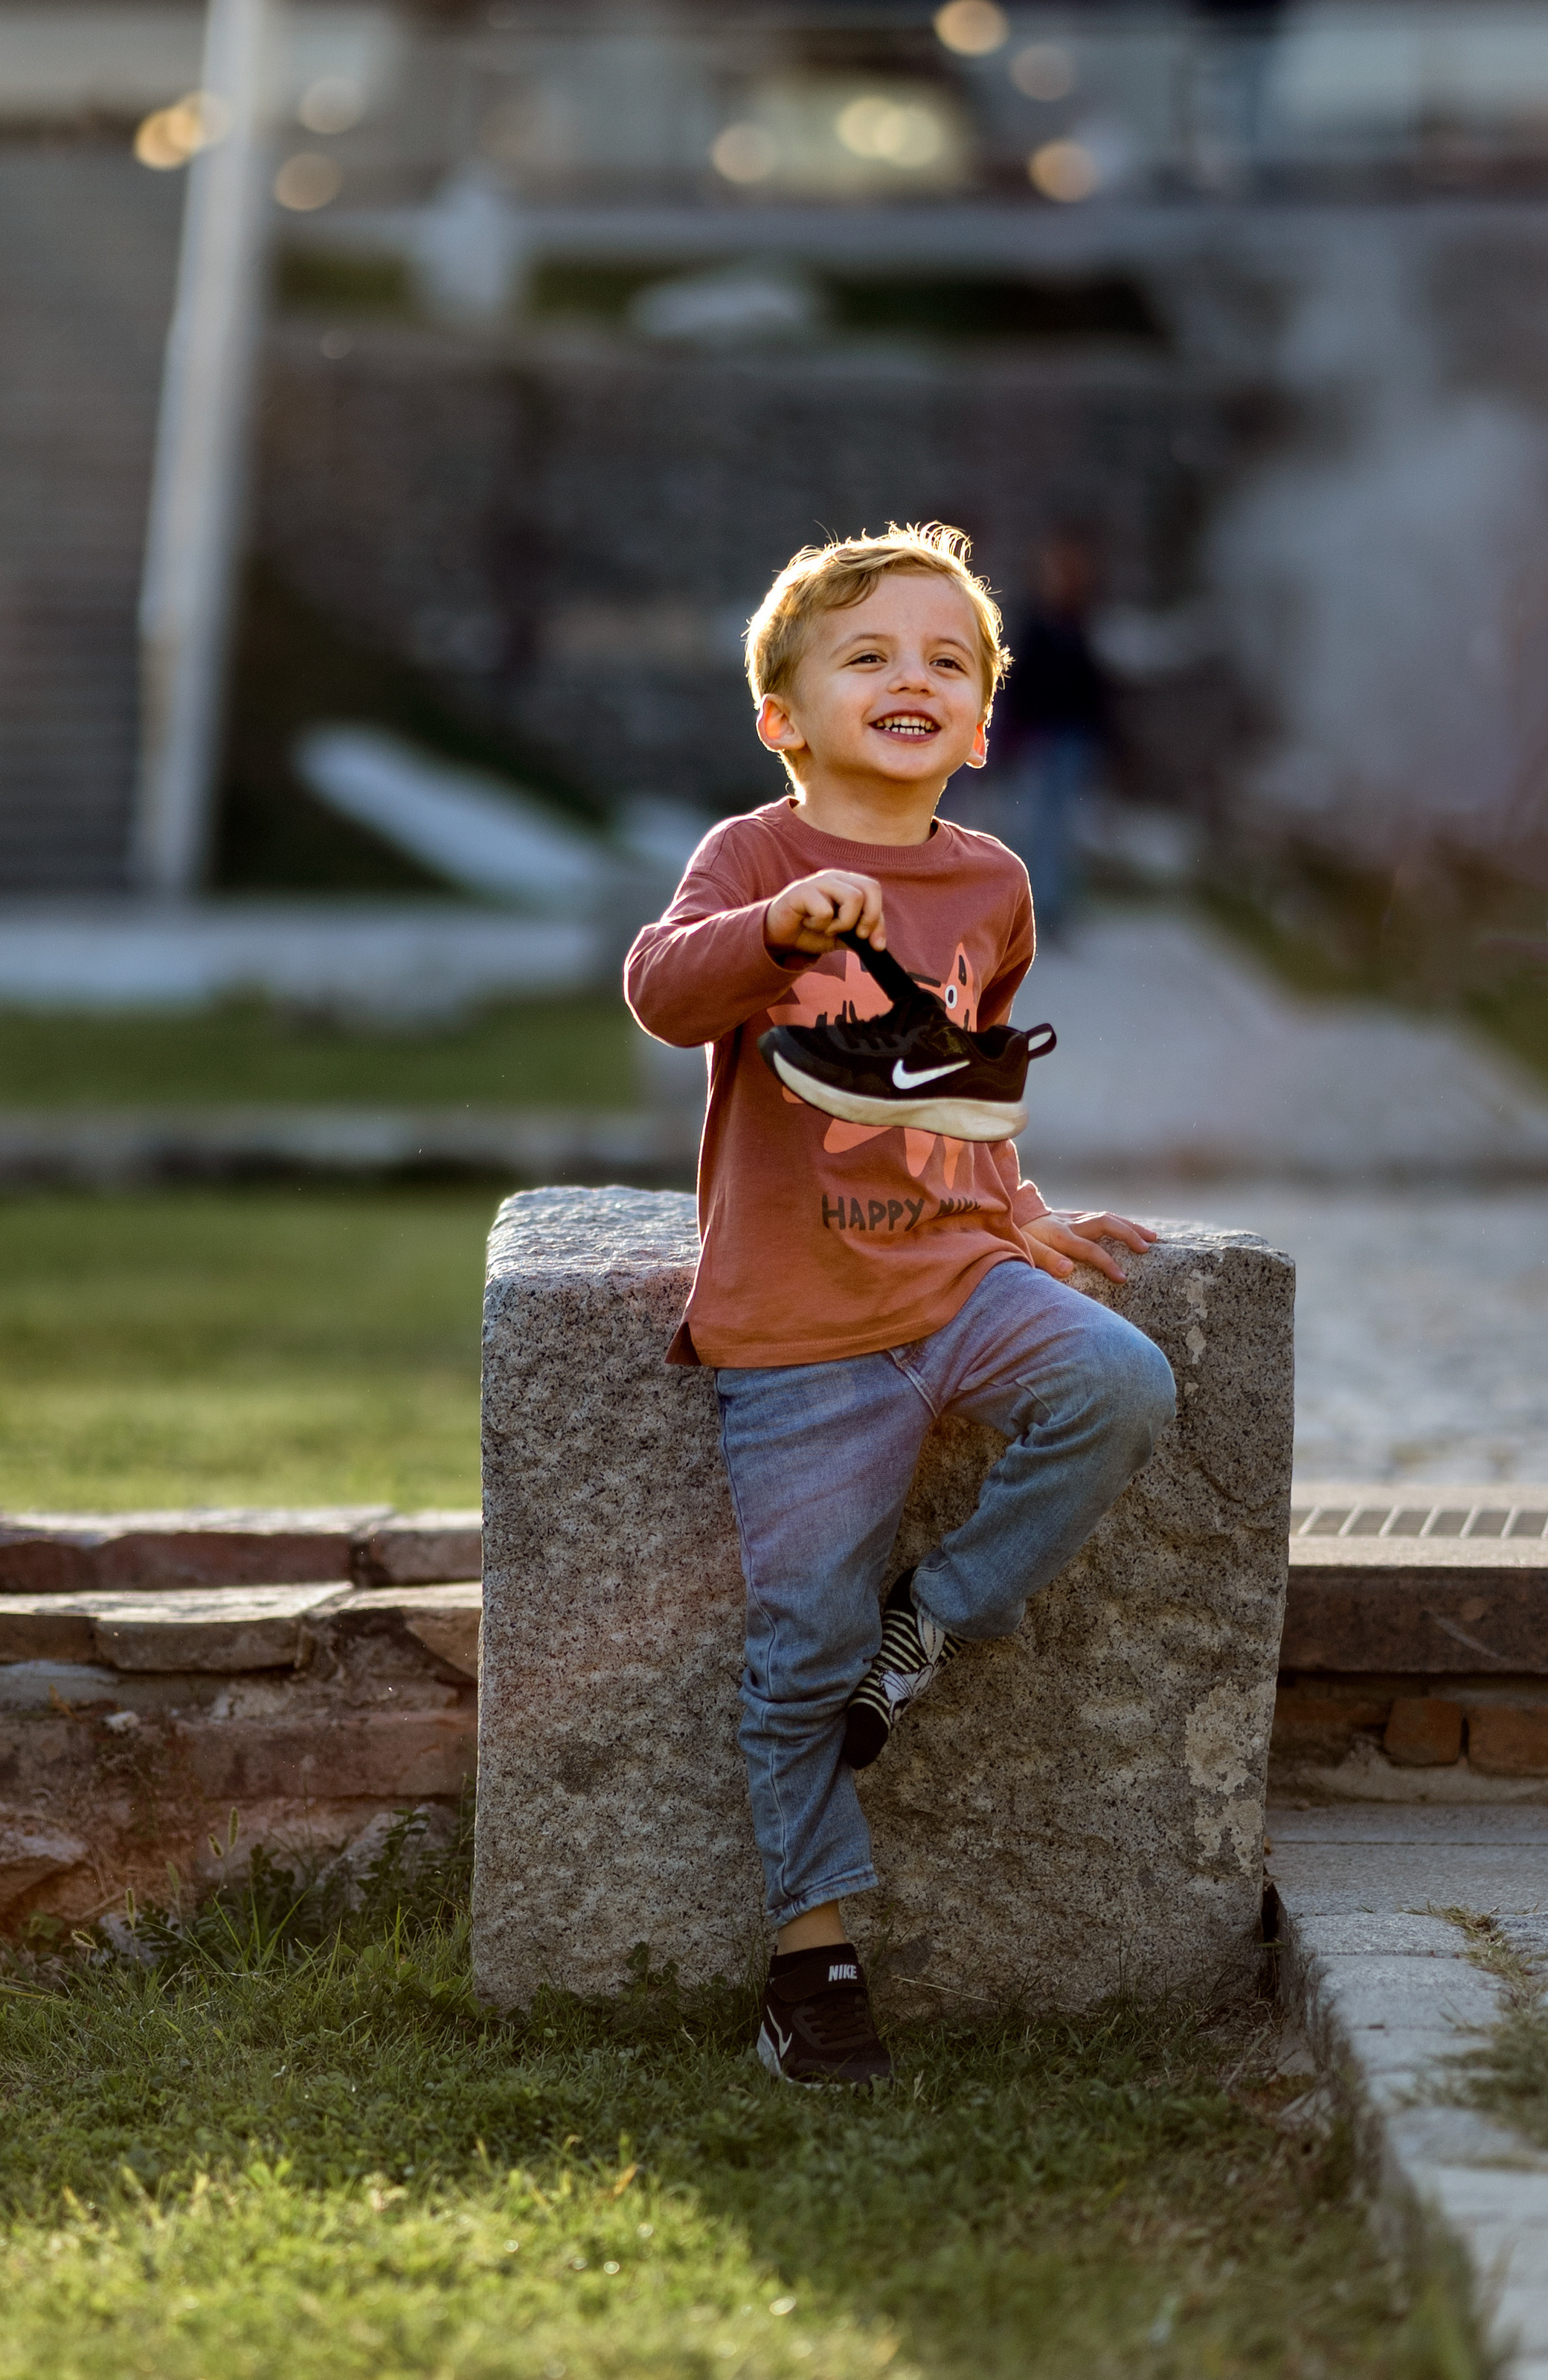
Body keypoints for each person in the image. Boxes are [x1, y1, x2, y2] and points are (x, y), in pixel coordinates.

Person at [623, 524, 1175, 2089]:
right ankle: (809, 1961)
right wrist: (780, 930)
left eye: (946, 659)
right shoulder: (753, 858)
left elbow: (967, 1083)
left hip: (959, 1281)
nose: (909, 677)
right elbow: (662, 992)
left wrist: (1024, 1211)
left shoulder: (993, 880)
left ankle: (933, 1619)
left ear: (983, 724)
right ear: (781, 717)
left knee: (1119, 1383)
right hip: (797, 1328)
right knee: (799, 1655)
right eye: (865, 655)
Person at [999, 533, 1110, 942]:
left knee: (1063, 826)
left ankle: (1055, 906)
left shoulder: (1079, 624)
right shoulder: (1036, 625)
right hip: (1040, 738)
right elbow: (1021, 684)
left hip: (1072, 739)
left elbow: (1093, 689)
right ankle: (1029, 908)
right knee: (1034, 823)